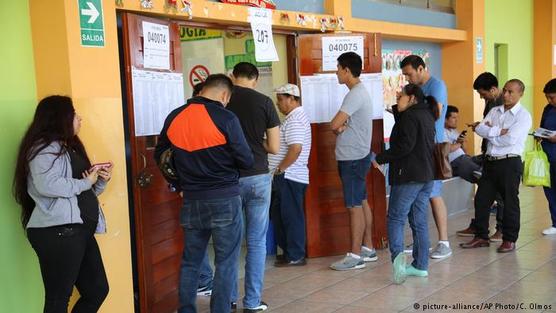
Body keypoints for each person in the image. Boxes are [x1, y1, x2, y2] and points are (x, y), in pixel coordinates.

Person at [155, 74, 254, 313]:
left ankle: (186, 310)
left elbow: (160, 156)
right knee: (226, 262)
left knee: (191, 261)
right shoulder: (226, 117)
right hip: (224, 199)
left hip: (191, 199)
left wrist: (177, 183)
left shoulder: (175, 117)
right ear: (224, 95)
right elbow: (247, 160)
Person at [13, 95, 112, 313]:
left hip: (80, 229)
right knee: (58, 299)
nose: (80, 118)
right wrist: (86, 181)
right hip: (59, 232)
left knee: (97, 289)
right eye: (74, 113)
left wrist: (99, 179)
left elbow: (82, 190)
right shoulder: (43, 148)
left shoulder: (70, 147)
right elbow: (48, 185)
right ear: (60, 117)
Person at [226, 62, 280, 312]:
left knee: (229, 242)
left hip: (230, 179)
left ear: (232, 76)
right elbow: (275, 148)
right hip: (258, 176)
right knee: (256, 242)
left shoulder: (223, 100)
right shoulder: (265, 102)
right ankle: (252, 302)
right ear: (255, 80)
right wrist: (257, 143)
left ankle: (227, 301)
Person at [374, 84, 437, 284]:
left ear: (411, 99)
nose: (396, 99)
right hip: (426, 176)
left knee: (395, 218)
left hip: (409, 176)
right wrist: (397, 110)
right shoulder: (426, 114)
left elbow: (404, 146)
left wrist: (381, 158)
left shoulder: (410, 117)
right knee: (418, 221)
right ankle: (420, 266)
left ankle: (398, 266)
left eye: (400, 96)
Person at [460, 79, 532, 253]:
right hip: (490, 161)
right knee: (482, 199)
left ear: (520, 94)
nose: (506, 95)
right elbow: (480, 130)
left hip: (510, 162)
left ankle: (509, 239)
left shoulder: (523, 116)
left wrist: (490, 132)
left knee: (509, 202)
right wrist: (498, 131)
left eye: (510, 92)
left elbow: (510, 140)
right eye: (505, 91)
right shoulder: (494, 110)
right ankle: (481, 236)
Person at [329, 52, 378, 271]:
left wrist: (339, 127)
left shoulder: (355, 93)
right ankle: (368, 248)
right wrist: (341, 127)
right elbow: (340, 125)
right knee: (362, 201)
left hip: (352, 158)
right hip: (358, 156)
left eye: (338, 68)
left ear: (347, 70)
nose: (336, 72)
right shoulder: (358, 92)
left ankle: (355, 255)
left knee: (354, 206)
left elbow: (334, 124)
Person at [400, 55, 452, 259]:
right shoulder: (417, 90)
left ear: (421, 69)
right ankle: (421, 239)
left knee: (433, 194)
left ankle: (444, 242)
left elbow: (435, 113)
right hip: (419, 147)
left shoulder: (437, 85)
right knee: (419, 194)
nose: (407, 79)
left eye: (409, 74)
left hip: (433, 147)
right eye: (405, 75)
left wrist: (410, 110)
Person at [456, 72, 505, 241]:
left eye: (482, 93)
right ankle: (478, 226)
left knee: (499, 194)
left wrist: (482, 128)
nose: (481, 97)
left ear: (493, 89)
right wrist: (480, 126)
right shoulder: (490, 102)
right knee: (482, 193)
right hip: (488, 152)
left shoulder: (502, 105)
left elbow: (498, 131)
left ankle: (502, 229)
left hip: (499, 155)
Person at [268, 84, 311, 267]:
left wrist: (280, 169)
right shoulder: (292, 118)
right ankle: (288, 253)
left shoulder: (295, 120)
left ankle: (295, 255)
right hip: (286, 176)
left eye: (281, 99)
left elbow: (295, 149)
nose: (278, 104)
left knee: (291, 217)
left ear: (292, 99)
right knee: (281, 216)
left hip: (290, 176)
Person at [444, 105, 481, 183]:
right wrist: (459, 143)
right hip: (453, 162)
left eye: (457, 117)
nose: (457, 120)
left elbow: (465, 151)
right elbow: (447, 149)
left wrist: (463, 142)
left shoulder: (454, 131)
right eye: (454, 118)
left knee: (484, 158)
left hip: (464, 159)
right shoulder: (441, 132)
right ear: (445, 119)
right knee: (478, 172)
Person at [539, 78, 556, 235]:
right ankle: (555, 223)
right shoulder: (548, 109)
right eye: (548, 98)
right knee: (550, 189)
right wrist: (539, 135)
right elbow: (542, 126)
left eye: (552, 97)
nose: (550, 101)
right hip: (548, 155)